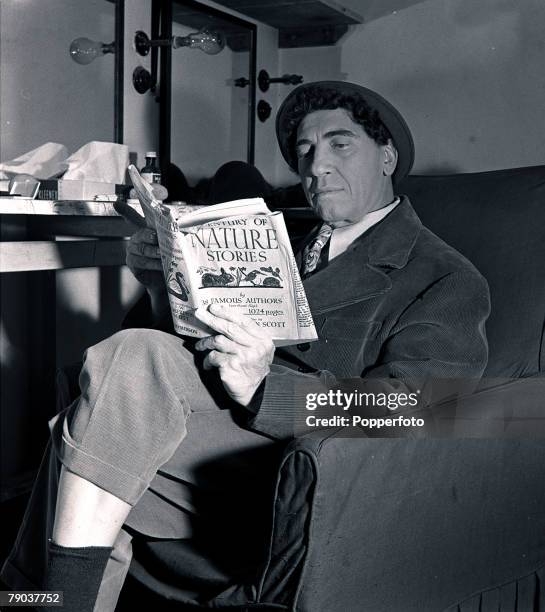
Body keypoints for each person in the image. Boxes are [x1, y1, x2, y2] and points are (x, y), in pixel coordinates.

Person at [1, 81, 490, 610]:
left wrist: (266, 388)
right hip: (209, 436)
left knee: (108, 396)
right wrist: (156, 285)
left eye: (340, 144)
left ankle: (38, 598)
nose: (316, 164)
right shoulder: (278, 246)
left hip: (300, 470)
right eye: (305, 150)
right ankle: (47, 599)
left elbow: (415, 408)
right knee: (96, 404)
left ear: (388, 156)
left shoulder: (444, 277)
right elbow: (183, 353)